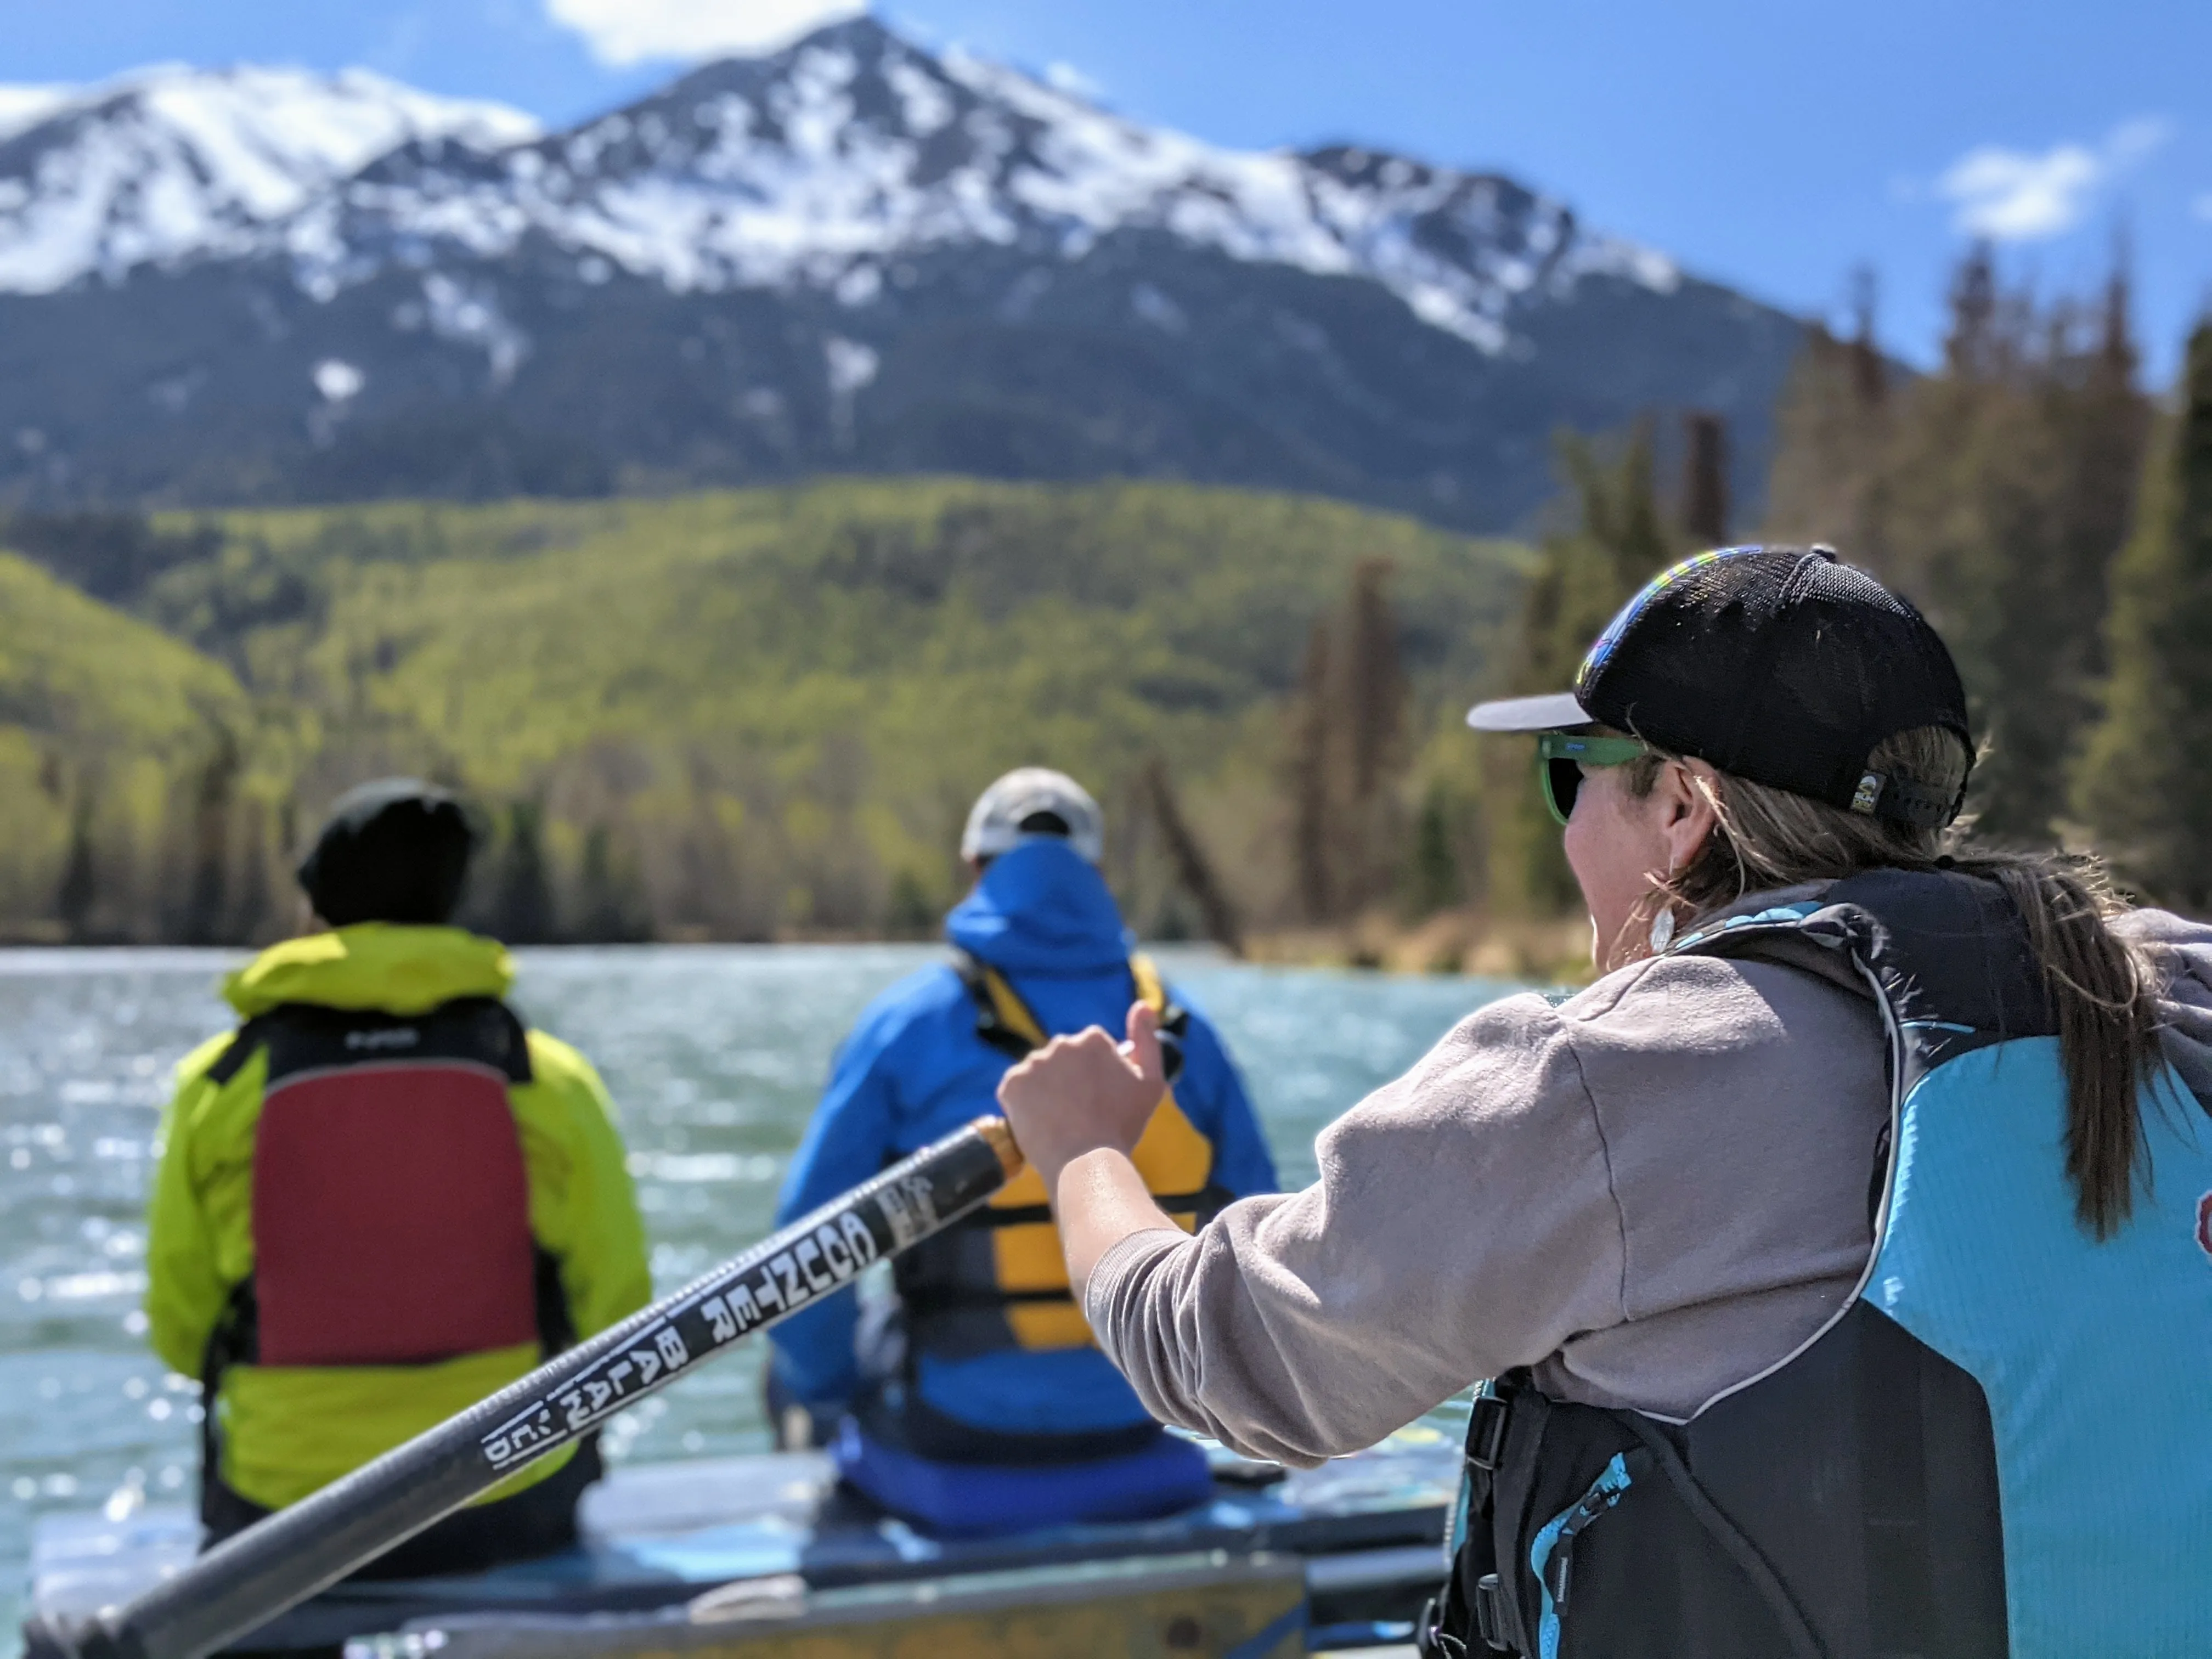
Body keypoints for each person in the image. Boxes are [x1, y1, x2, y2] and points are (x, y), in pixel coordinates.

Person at [998, 547, 2212, 1656]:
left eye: (1568, 776)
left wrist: (1087, 1155)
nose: (1565, 822)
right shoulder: (2174, 991)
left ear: (1683, 807)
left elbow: (1215, 1348)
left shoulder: (1612, 1078)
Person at [144, 778, 651, 1575]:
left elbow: (180, 1330)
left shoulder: (217, 1086)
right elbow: (617, 1306)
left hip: (287, 1509)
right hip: (511, 1492)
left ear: (320, 906)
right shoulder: (546, 1080)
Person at [766, 767, 1278, 1536]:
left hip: (954, 1440)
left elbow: (805, 1263)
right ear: (1096, 877)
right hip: (1144, 1423)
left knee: (804, 1363)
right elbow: (1261, 1246)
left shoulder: (906, 1025)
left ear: (976, 871)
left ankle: (838, 1492)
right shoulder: (1183, 1031)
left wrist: (835, 1397)